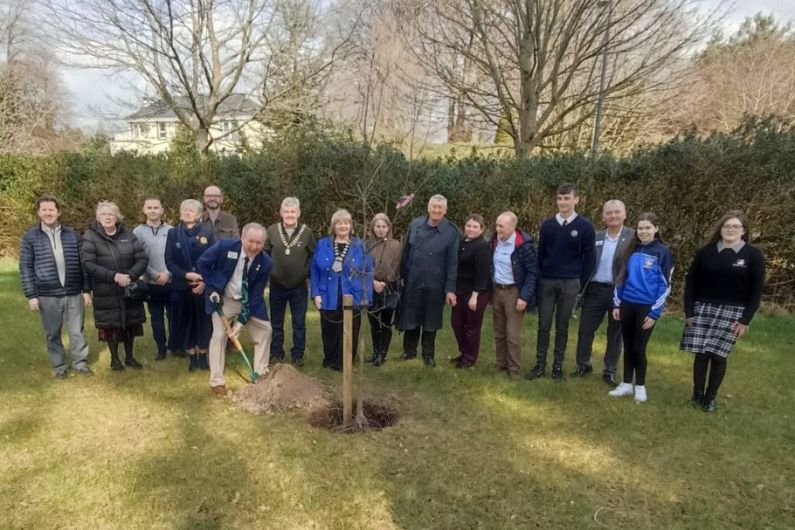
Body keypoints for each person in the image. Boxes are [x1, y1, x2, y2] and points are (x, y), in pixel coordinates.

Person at [680, 211, 765, 412]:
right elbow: (691, 283)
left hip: (733, 312)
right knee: (701, 354)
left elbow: (756, 291)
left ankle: (710, 398)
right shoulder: (706, 252)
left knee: (718, 356)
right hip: (703, 308)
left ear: (743, 231)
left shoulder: (753, 255)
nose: (730, 230)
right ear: (720, 229)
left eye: (735, 226)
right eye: (727, 226)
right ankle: (697, 394)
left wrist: (745, 320)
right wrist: (689, 311)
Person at [19, 195, 93, 378]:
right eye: (44, 210)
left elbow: (83, 264)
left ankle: (80, 363)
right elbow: (25, 267)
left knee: (77, 331)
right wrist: (31, 295)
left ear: (58, 212)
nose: (48, 213)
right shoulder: (30, 238)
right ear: (38, 212)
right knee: (52, 333)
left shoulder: (73, 235)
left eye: (51, 209)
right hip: (47, 294)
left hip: (73, 292)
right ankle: (59, 366)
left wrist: (86, 290)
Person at [528, 183, 595, 381]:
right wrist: (540, 278)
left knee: (562, 325)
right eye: (559, 198)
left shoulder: (585, 227)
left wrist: (579, 283)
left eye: (567, 198)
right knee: (544, 323)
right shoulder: (548, 225)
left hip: (570, 283)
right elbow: (540, 255)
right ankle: (540, 365)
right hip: (547, 282)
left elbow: (589, 259)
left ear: (576, 200)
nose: (563, 202)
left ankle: (557, 367)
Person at [198, 223, 273, 397]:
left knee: (265, 330)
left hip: (248, 302)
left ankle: (260, 375)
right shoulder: (225, 247)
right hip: (225, 299)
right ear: (242, 239)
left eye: (259, 243)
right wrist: (212, 289)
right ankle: (217, 382)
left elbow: (255, 296)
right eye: (251, 242)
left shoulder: (266, 262)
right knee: (218, 335)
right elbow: (203, 263)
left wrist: (239, 325)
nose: (254, 247)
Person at [609, 212, 673, 403]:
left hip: (647, 307)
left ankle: (641, 386)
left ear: (656, 229)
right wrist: (617, 303)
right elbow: (621, 278)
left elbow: (665, 285)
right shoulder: (631, 249)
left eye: (647, 228)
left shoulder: (662, 252)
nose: (644, 231)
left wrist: (654, 313)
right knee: (628, 346)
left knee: (639, 347)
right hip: (627, 304)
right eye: (640, 228)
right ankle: (627, 384)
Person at [573, 200, 635, 384]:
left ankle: (610, 370)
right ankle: (583, 365)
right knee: (585, 329)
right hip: (595, 289)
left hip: (618, 291)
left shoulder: (633, 237)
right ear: (603, 216)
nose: (613, 216)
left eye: (617, 212)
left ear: (624, 214)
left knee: (615, 333)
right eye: (609, 213)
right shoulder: (596, 236)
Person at [81, 201, 148, 371]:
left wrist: (130, 276)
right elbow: (88, 263)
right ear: (98, 218)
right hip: (106, 288)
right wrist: (114, 276)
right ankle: (115, 359)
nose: (108, 217)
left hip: (128, 287)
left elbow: (142, 258)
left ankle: (130, 357)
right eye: (104, 214)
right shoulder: (90, 236)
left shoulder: (128, 233)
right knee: (110, 326)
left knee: (130, 324)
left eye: (111, 214)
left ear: (117, 216)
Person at [397, 195, 459, 367]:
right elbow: (405, 253)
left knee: (430, 319)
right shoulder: (415, 225)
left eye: (440, 208)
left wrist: (450, 289)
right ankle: (409, 351)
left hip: (435, 283)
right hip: (413, 280)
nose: (437, 210)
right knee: (412, 316)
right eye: (434, 206)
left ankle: (428, 355)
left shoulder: (451, 232)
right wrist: (402, 276)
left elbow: (453, 263)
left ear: (445, 210)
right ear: (428, 207)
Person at [310, 209, 373, 371]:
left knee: (351, 327)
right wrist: (315, 293)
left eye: (346, 223)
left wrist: (366, 296)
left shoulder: (359, 245)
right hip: (327, 294)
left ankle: (344, 361)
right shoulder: (323, 244)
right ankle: (330, 359)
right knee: (329, 328)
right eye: (339, 223)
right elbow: (314, 270)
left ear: (351, 226)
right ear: (333, 226)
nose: (343, 226)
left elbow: (367, 271)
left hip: (353, 293)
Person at [265, 197, 316, 366]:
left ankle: (298, 354)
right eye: (286, 212)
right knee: (276, 322)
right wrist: (270, 271)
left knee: (299, 323)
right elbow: (264, 254)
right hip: (277, 286)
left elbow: (313, 255)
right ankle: (276, 353)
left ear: (298, 213)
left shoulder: (306, 232)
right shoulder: (271, 230)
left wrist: (305, 271)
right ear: (281, 213)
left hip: (299, 287)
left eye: (293, 212)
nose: (289, 215)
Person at [165, 199, 215, 371]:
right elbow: (169, 262)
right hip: (181, 286)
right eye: (184, 209)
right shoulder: (173, 233)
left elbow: (214, 260)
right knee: (185, 322)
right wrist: (186, 275)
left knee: (203, 322)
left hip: (202, 287)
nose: (187, 212)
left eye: (191, 210)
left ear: (199, 214)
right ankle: (192, 358)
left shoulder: (207, 232)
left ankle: (203, 356)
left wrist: (203, 281)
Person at [490, 211, 539, 379]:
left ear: (512, 227)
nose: (497, 229)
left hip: (514, 293)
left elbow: (533, 272)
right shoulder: (495, 241)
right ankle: (501, 363)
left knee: (512, 334)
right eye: (496, 225)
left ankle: (514, 370)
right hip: (497, 291)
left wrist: (524, 296)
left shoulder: (523, 245)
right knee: (499, 332)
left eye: (501, 226)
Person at [133, 197, 173, 361]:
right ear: (144, 210)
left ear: (162, 210)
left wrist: (167, 273)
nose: (153, 210)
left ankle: (175, 345)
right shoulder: (137, 232)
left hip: (171, 280)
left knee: (173, 316)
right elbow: (137, 257)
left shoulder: (172, 230)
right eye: (149, 207)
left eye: (156, 207)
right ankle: (161, 349)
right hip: (151, 282)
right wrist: (155, 274)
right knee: (156, 317)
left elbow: (176, 256)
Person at [449, 214, 491, 369]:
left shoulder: (482, 246)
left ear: (482, 229)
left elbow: (483, 273)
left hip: (477, 291)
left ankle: (469, 359)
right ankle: (463, 352)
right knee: (456, 323)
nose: (471, 229)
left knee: (471, 326)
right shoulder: (461, 243)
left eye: (475, 227)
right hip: (460, 290)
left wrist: (475, 296)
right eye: (468, 226)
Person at [366, 213, 401, 367]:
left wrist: (384, 283)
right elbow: (364, 266)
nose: (381, 229)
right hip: (370, 287)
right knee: (374, 322)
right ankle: (375, 351)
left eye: (384, 226)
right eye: (378, 226)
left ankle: (382, 354)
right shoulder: (368, 245)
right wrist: (372, 281)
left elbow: (395, 266)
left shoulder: (396, 245)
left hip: (388, 288)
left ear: (388, 228)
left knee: (386, 322)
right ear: (373, 228)